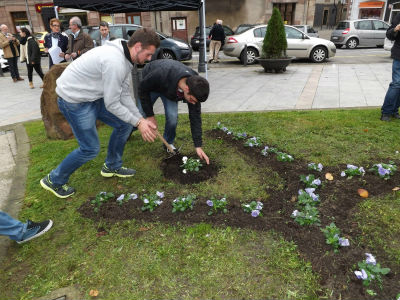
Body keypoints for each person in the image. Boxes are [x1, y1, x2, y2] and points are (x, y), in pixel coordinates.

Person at [40, 28, 160, 199]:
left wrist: (139, 119)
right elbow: (112, 103)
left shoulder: (124, 53)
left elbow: (124, 93)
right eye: (148, 55)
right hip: (74, 101)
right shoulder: (114, 61)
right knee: (90, 149)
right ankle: (53, 180)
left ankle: (112, 165)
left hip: (94, 96)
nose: (148, 59)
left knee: (125, 124)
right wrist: (140, 123)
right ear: (138, 46)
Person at [137, 59, 210, 164]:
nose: (193, 103)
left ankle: (168, 142)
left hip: (170, 89)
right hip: (151, 85)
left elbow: (195, 117)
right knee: (139, 114)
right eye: (192, 100)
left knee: (172, 117)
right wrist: (150, 115)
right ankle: (127, 131)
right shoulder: (162, 73)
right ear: (187, 89)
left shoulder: (196, 85)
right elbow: (142, 88)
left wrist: (198, 146)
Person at [381, 14, 400, 121]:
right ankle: (386, 112)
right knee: (396, 84)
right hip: (399, 55)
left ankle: (394, 111)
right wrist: (396, 29)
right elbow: (389, 34)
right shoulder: (399, 16)